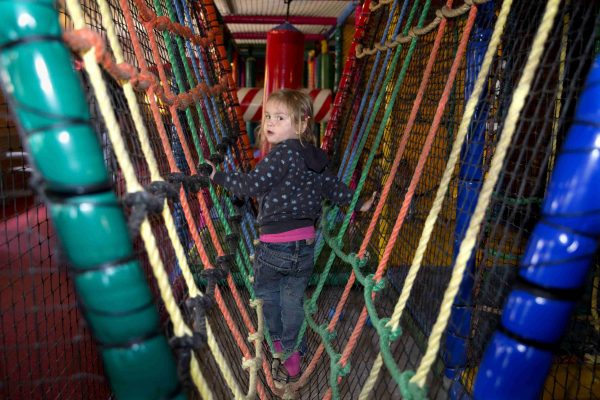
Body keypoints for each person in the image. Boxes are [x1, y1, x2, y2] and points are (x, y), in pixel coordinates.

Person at [206, 89, 376, 382]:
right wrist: (358, 202)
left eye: (280, 118)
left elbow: (251, 185)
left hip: (274, 248)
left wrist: (218, 176)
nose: (270, 122)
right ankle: (294, 352)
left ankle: (279, 345)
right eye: (268, 116)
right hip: (305, 248)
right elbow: (334, 189)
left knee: (267, 295)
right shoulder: (314, 159)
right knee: (293, 300)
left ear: (301, 125)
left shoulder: (280, 155)